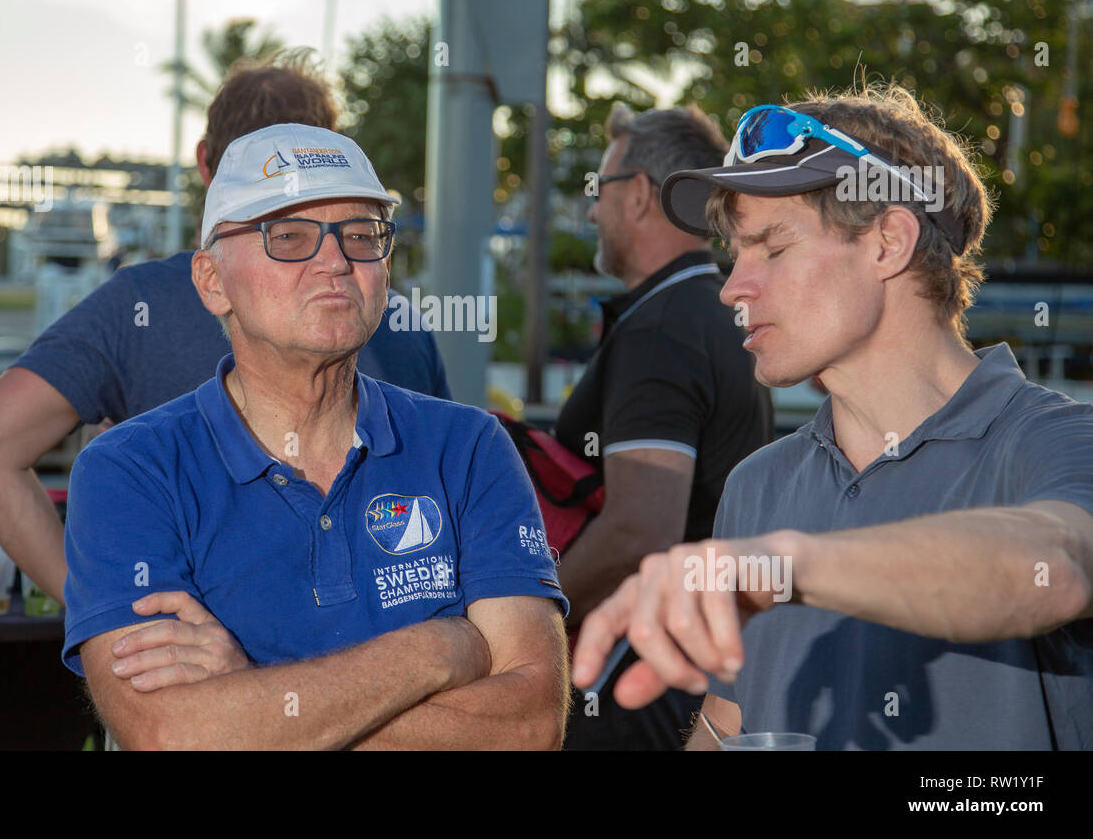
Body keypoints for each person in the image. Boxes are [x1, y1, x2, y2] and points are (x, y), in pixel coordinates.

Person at [573, 83, 1093, 750]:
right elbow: (727, 723)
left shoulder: (1056, 441)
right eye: (735, 253)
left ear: (887, 242)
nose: (733, 286)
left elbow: (1058, 566)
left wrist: (789, 565)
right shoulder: (758, 483)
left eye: (772, 247)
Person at [62, 123, 569, 749]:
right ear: (211, 281)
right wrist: (437, 649)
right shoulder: (130, 470)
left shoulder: (467, 448)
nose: (335, 261)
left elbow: (529, 725)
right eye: (290, 237)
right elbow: (170, 735)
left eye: (361, 236)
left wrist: (252, 690)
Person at [0, 52, 449, 605]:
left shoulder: (140, 304)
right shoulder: (389, 311)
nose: (324, 264)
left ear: (205, 162)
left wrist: (104, 607)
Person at [554, 105, 774, 750]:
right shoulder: (708, 308)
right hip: (694, 654)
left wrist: (527, 613)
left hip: (638, 667)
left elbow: (638, 529)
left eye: (600, 190)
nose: (593, 210)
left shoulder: (661, 329)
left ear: (641, 196)